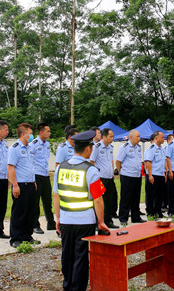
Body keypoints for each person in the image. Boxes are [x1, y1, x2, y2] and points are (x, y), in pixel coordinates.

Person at [53, 130, 109, 291]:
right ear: (87, 149)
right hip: (85, 222)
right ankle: (77, 288)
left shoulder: (60, 168)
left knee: (67, 256)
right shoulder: (90, 170)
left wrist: (58, 218)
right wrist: (101, 222)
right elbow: (98, 199)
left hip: (66, 220)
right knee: (81, 258)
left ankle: (67, 286)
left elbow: (56, 195)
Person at [8, 123, 39, 248]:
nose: (32, 136)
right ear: (23, 134)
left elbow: (31, 167)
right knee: (19, 213)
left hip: (30, 184)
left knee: (30, 212)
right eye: (30, 134)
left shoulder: (30, 148)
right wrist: (15, 185)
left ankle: (27, 236)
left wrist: (34, 181)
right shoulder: (14, 148)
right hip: (20, 185)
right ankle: (15, 238)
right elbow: (11, 168)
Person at [89, 128, 119, 228]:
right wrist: (95, 174)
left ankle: (108, 220)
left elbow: (111, 161)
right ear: (104, 137)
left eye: (112, 136)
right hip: (100, 178)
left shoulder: (110, 147)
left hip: (109, 177)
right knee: (101, 201)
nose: (112, 138)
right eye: (110, 136)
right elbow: (91, 161)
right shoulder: (97, 147)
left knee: (110, 199)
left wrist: (112, 172)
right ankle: (99, 222)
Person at [30, 122, 56, 234]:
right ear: (41, 132)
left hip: (45, 175)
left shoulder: (47, 144)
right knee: (35, 202)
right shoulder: (33, 144)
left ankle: (51, 223)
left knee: (47, 200)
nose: (49, 133)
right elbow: (30, 161)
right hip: (36, 175)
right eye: (48, 131)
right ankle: (35, 225)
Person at [116, 129, 145, 225]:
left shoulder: (138, 147)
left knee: (136, 197)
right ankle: (123, 218)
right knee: (126, 198)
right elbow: (118, 161)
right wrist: (121, 173)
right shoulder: (125, 147)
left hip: (137, 175)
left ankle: (135, 216)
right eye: (137, 136)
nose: (139, 138)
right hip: (127, 176)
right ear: (131, 137)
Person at [144, 131, 166, 218]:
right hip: (153, 174)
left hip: (160, 174)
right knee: (151, 195)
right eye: (162, 137)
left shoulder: (162, 149)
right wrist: (150, 175)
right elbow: (148, 162)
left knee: (160, 195)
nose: (163, 139)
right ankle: (150, 212)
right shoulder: (151, 149)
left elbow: (163, 163)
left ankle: (158, 211)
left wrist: (164, 173)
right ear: (156, 138)